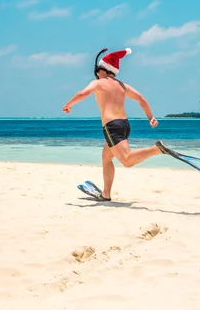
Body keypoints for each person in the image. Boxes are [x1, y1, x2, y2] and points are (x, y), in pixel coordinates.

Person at [62, 48, 174, 201]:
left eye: (97, 71)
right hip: (125, 125)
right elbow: (141, 99)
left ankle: (156, 150)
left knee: (127, 161)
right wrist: (150, 117)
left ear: (103, 70)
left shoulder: (98, 83)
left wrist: (69, 104)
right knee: (106, 158)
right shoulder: (123, 86)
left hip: (112, 126)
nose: (96, 74)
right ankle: (106, 193)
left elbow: (82, 93)